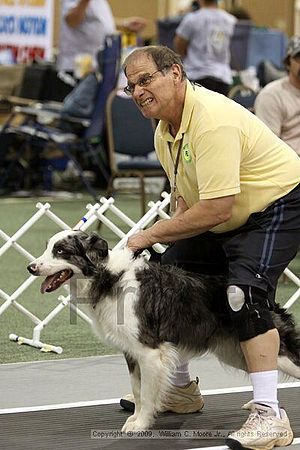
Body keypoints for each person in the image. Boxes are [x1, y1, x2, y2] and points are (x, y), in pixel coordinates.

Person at [120, 45, 300, 450]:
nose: (138, 92)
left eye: (146, 80)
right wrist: (168, 238)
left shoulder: (212, 120)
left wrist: (149, 236)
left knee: (243, 293)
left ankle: (269, 414)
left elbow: (217, 209)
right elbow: (186, 199)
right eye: (131, 86)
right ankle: (179, 390)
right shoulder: (164, 128)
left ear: (176, 73)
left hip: (280, 204)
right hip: (231, 211)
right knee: (168, 281)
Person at [57, 0, 147, 73]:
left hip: (96, 62)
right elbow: (72, 20)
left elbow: (96, 20)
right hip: (76, 66)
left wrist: (124, 24)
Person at [173, 0, 236, 95]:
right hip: (222, 77)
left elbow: (179, 44)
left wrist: (186, 57)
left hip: (197, 76)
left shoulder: (192, 19)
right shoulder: (230, 20)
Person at [254, 36, 300, 156]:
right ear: (288, 63)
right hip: (289, 164)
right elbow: (267, 149)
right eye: (299, 58)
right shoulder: (271, 96)